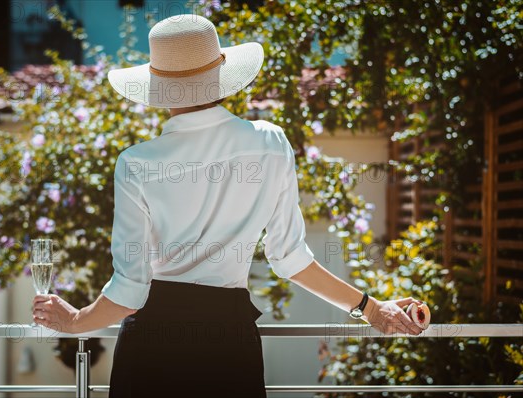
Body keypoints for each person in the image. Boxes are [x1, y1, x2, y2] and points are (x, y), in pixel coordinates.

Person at [32, 13, 425, 398]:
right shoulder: (271, 143)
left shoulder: (137, 163)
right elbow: (290, 258)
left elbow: (131, 289)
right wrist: (370, 308)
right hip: (229, 341)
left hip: (153, 346)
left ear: (158, 88)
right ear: (221, 78)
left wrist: (76, 320)